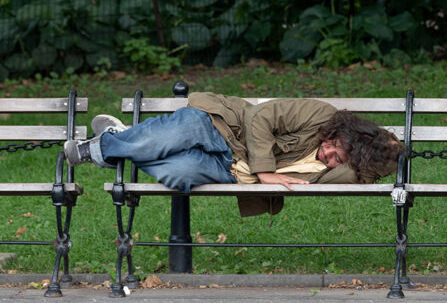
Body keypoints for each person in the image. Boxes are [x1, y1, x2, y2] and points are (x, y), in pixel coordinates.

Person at [64, 92, 403, 217]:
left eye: (337, 162)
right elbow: (261, 116)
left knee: (178, 175)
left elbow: (363, 172)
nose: (329, 158)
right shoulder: (321, 115)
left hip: (226, 169)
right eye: (334, 150)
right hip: (223, 127)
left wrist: (383, 150)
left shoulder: (342, 168)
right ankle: (96, 149)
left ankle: (122, 139)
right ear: (341, 133)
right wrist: (266, 171)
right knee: (177, 133)